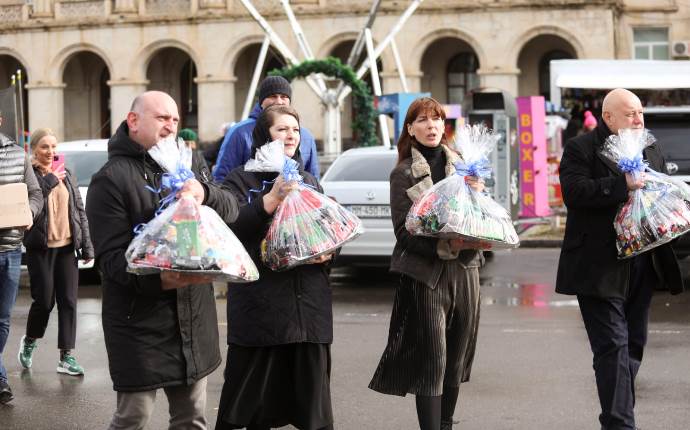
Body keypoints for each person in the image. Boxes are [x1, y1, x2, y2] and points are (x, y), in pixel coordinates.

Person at [85, 91, 239, 429]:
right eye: (161, 118)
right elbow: (110, 260)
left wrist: (205, 192)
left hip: (193, 317)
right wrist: (160, 279)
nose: (170, 126)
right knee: (133, 417)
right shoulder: (110, 179)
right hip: (138, 323)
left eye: (174, 119)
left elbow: (231, 210)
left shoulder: (192, 164)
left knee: (192, 419)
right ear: (134, 121)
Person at [556, 88, 684, 430]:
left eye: (640, 113)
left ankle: (616, 415)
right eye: (630, 114)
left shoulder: (650, 147)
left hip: (641, 261)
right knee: (612, 346)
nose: (638, 119)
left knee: (633, 347)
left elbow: (658, 190)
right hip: (598, 265)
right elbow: (574, 193)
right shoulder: (580, 148)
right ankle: (620, 424)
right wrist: (620, 185)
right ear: (608, 117)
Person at [368, 97, 486, 430]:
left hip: (465, 271)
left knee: (456, 356)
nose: (431, 125)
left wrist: (478, 194)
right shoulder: (403, 173)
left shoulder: (465, 166)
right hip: (425, 274)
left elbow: (481, 217)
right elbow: (402, 233)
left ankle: (446, 423)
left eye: (436, 119)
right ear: (410, 129)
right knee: (433, 359)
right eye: (422, 120)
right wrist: (444, 246)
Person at [216, 105, 334, 430]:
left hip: (307, 316)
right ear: (262, 136)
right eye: (281, 129)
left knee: (315, 416)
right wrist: (269, 200)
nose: (291, 135)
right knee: (248, 413)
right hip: (260, 317)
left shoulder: (309, 180)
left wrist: (328, 253)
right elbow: (230, 228)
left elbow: (325, 233)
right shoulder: (239, 180)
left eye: (295, 130)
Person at [17, 128, 93, 376]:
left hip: (66, 248)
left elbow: (79, 212)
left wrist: (87, 245)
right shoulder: (28, 176)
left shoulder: (67, 174)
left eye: (54, 147)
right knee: (44, 301)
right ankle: (30, 340)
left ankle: (66, 356)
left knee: (69, 301)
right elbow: (31, 208)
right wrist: (51, 180)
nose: (51, 152)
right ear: (33, 149)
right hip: (41, 248)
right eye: (44, 147)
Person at [0, 119, 43, 404]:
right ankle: (1, 378)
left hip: (11, 249)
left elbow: (35, 192)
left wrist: (28, 212)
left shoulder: (18, 154)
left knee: (2, 318)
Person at [212, 76, 320, 182]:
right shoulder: (239, 132)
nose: (279, 101)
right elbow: (222, 178)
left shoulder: (306, 136)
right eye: (273, 96)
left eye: (283, 96)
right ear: (261, 101)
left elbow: (313, 179)